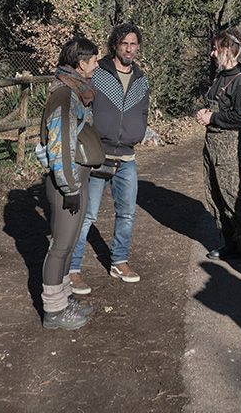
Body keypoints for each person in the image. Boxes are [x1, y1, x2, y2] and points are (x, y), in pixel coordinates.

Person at [68, 22, 154, 291]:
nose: (129, 49)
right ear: (115, 45)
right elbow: (81, 104)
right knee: (87, 214)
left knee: (126, 213)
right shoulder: (98, 73)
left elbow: (142, 111)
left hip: (127, 156)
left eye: (133, 44)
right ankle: (73, 267)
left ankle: (119, 260)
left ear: (138, 47)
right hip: (97, 154)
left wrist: (139, 131)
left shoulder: (141, 79)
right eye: (124, 44)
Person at [36, 36, 101, 330]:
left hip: (75, 180)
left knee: (68, 243)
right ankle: (53, 311)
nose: (97, 64)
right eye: (94, 60)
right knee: (60, 247)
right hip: (68, 183)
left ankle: (62, 300)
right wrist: (70, 188)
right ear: (80, 63)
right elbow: (60, 146)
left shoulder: (74, 92)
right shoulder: (65, 96)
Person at [196, 26, 241, 273]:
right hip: (211, 143)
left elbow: (240, 118)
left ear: (229, 50)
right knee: (214, 193)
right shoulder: (221, 75)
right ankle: (231, 245)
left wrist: (213, 118)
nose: (213, 54)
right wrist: (205, 112)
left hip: (229, 146)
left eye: (216, 49)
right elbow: (216, 105)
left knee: (233, 197)